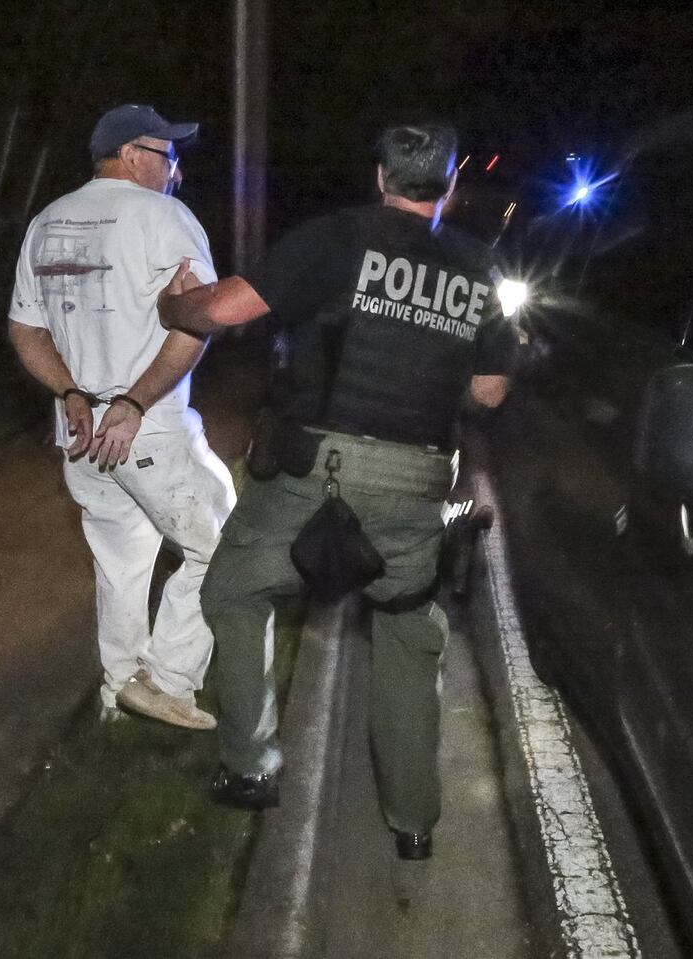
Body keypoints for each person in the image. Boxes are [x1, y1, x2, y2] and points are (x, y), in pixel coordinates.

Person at [158, 122, 514, 861]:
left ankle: (251, 765)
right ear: (448, 187)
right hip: (418, 485)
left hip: (311, 479)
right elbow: (489, 390)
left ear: (379, 176)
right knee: (410, 633)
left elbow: (222, 311)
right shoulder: (480, 267)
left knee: (232, 589)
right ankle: (414, 821)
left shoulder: (334, 239)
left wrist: (174, 305)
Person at [7, 104, 235, 730]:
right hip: (147, 424)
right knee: (225, 547)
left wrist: (71, 391)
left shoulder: (46, 221)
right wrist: (134, 402)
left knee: (120, 562)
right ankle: (166, 680)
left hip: (78, 432)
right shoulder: (165, 219)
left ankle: (118, 697)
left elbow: (25, 329)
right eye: (168, 156)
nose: (177, 171)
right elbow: (197, 322)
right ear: (133, 154)